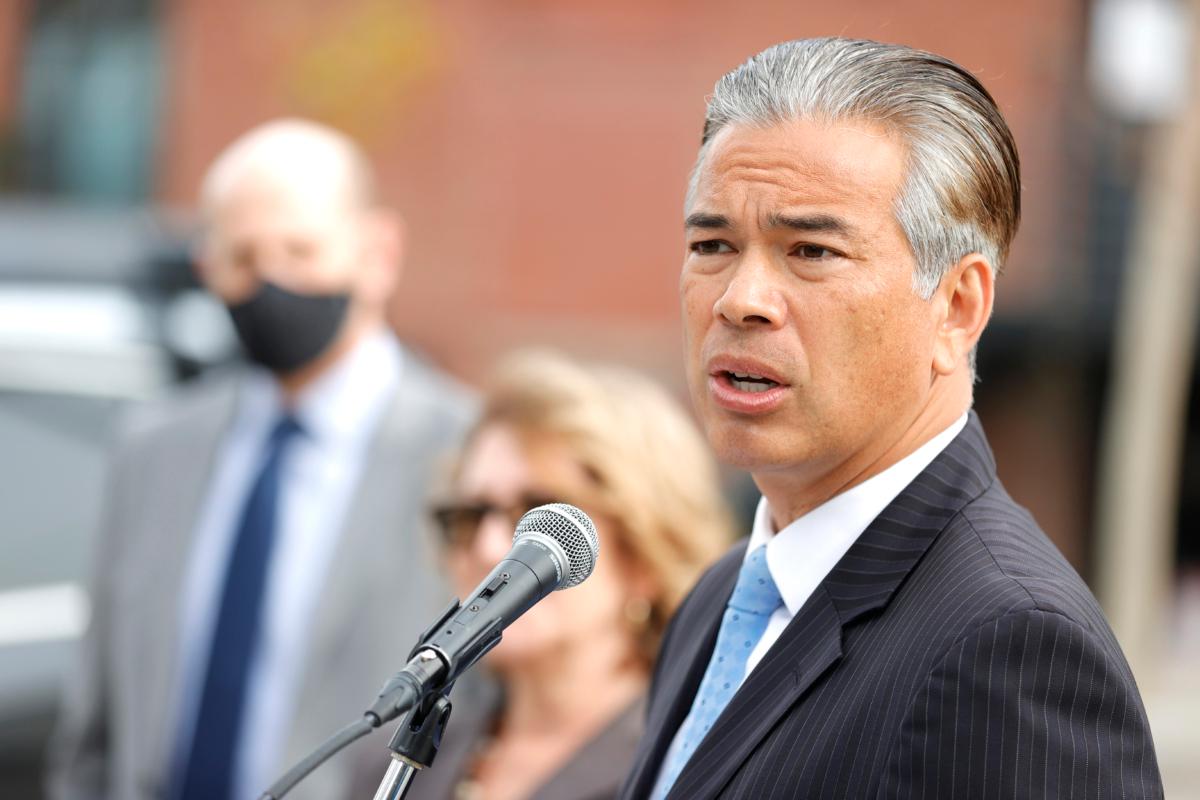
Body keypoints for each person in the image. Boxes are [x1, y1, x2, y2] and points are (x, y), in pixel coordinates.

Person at [619, 38, 1164, 799]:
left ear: (958, 306)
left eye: (810, 250)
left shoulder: (1012, 645)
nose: (739, 299)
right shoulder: (717, 599)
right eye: (712, 243)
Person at [47, 119, 475, 800]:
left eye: (301, 251)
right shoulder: (152, 450)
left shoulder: (468, 458)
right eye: (244, 258)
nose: (272, 280)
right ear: (207, 268)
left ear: (378, 252)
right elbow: (94, 724)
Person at [393, 350, 732, 800]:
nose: (492, 548)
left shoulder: (691, 764)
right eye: (471, 515)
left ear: (646, 555)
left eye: (540, 519)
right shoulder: (396, 763)